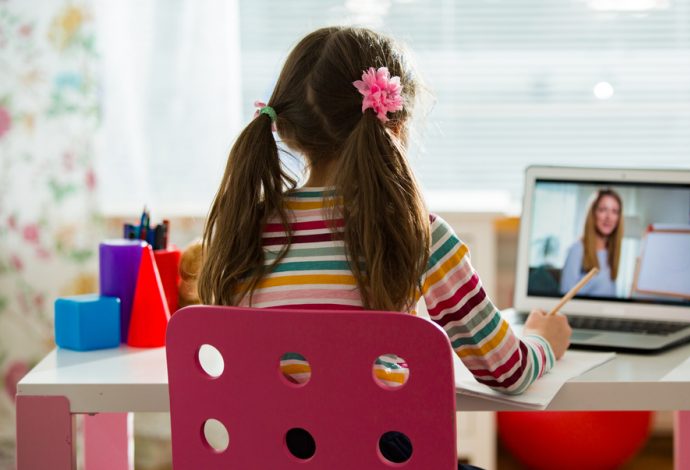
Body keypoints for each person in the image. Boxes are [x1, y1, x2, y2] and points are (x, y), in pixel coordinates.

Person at [198, 26, 571, 468]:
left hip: (269, 457)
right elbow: (506, 371)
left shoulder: (243, 230)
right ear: (396, 121)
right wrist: (543, 341)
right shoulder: (419, 234)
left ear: (287, 128)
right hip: (384, 457)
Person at [560, 189, 624, 297]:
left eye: (614, 211)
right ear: (593, 213)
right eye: (603, 210)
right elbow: (565, 296)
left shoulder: (611, 252)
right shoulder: (576, 250)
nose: (608, 217)